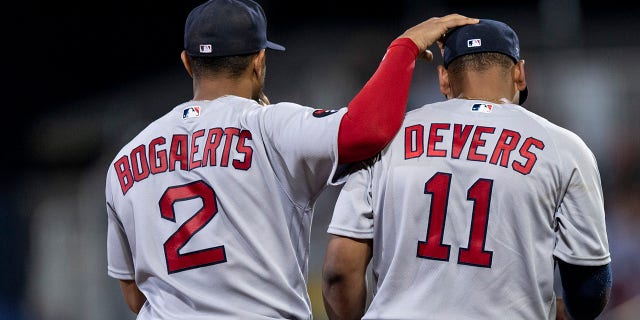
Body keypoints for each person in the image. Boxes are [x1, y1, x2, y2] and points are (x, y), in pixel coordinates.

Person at [104, 0, 479, 318]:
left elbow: (135, 291)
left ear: (188, 63)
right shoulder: (270, 126)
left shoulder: (124, 161)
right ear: (259, 61)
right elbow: (367, 129)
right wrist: (405, 46)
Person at [322, 19, 612, 320]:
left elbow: (339, 273)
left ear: (444, 79)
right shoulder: (564, 147)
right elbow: (590, 287)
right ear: (520, 74)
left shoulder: (388, 137)